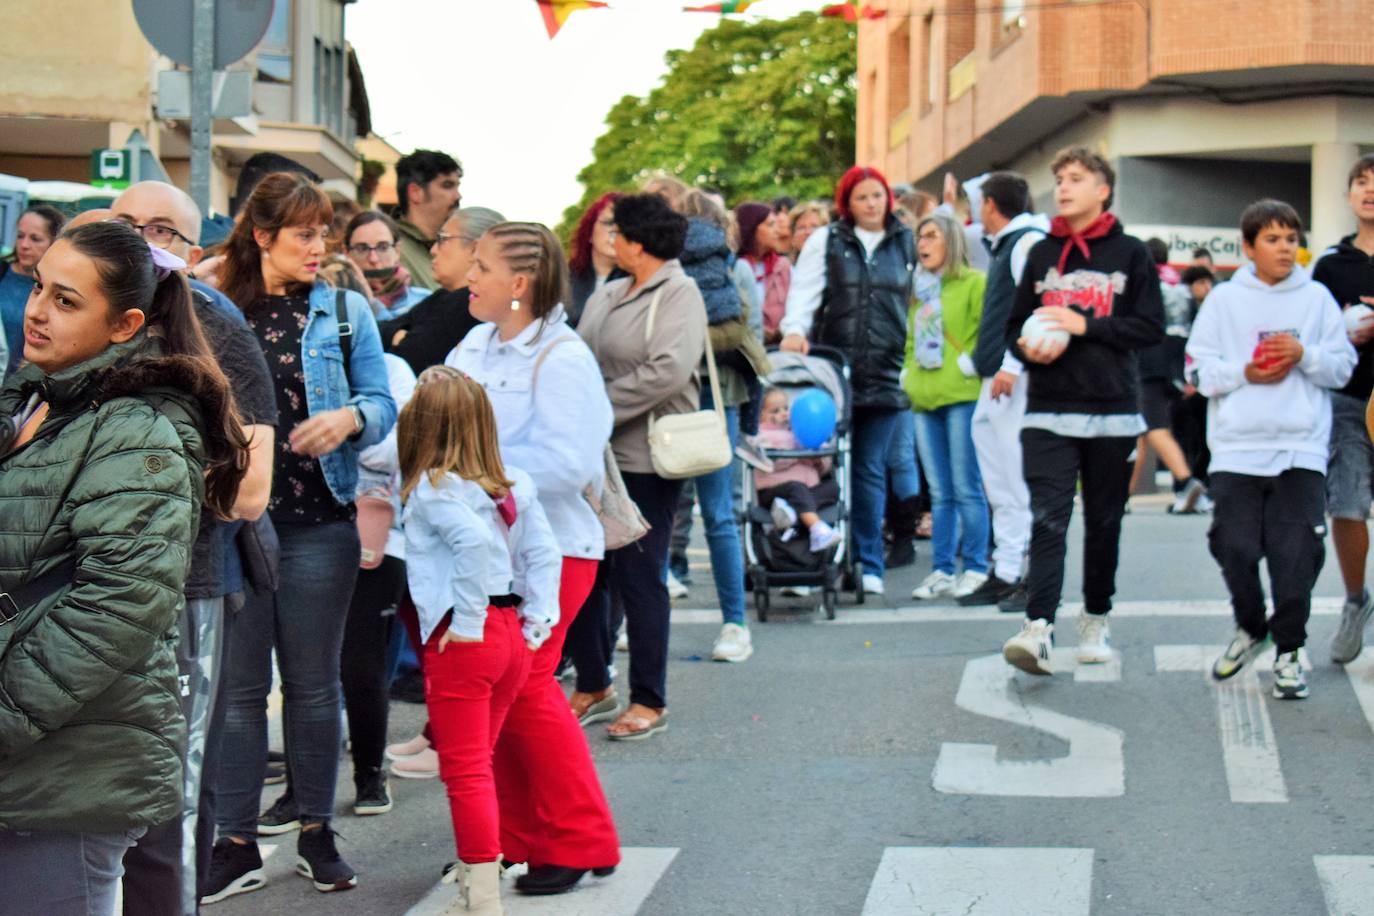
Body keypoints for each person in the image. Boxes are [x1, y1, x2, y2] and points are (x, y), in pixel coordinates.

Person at [0, 220, 248, 915]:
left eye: (67, 300)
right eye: (39, 287)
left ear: (126, 323)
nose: (38, 310)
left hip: (71, 779)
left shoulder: (138, 432)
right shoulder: (38, 400)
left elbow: (117, 608)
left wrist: (3, 714)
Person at [204, 171, 397, 903]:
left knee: (314, 687)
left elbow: (382, 401)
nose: (322, 247)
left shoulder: (345, 310)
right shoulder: (217, 310)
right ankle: (235, 841)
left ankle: (317, 832)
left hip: (320, 520)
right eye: (305, 234)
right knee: (242, 690)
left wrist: (349, 419)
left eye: (325, 233)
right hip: (237, 524)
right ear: (262, 237)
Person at [107, 181, 278, 916]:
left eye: (162, 230)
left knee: (167, 791)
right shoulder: (83, 310)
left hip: (186, 582)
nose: (142, 240)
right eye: (124, 224)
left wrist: (137, 478)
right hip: (86, 586)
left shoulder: (218, 327)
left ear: (192, 250)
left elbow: (252, 489)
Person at [448, 221, 621, 895]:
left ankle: (578, 838)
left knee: (524, 689)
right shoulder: (474, 344)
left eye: (481, 265)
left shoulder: (564, 356)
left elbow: (568, 464)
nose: (469, 275)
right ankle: (521, 838)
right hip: (490, 552)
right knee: (509, 695)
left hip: (553, 550)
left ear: (519, 284)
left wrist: (471, 470)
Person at [398, 367, 561, 916]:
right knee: (478, 765)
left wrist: (465, 624)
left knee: (465, 772)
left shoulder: (434, 487)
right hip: (510, 632)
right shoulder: (507, 484)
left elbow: (468, 546)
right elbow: (545, 554)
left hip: (466, 636)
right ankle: (481, 877)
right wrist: (537, 622)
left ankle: (481, 898)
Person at [999, 146, 1164, 676]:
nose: (1064, 188)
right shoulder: (1042, 252)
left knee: (1103, 521)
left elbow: (1149, 327)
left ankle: (1095, 616)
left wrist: (1083, 325)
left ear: (1103, 189)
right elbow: (1014, 324)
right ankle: (1038, 627)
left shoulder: (1132, 253)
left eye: (1076, 178)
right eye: (1059, 179)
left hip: (1113, 409)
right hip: (1047, 408)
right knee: (1048, 518)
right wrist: (1029, 346)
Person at [1188, 199, 1356, 698]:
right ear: (1248, 247)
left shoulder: (1318, 299)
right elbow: (1195, 370)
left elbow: (1342, 368)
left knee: (1296, 556)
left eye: (1292, 239)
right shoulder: (1223, 301)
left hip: (1300, 448)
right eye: (1273, 239)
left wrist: (1305, 355)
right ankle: (1251, 626)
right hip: (1237, 449)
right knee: (1233, 545)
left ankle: (1288, 651)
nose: (1285, 248)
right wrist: (1245, 372)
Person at [571, 192, 705, 740]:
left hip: (647, 454)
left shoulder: (680, 292)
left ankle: (649, 697)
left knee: (640, 578)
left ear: (638, 241)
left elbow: (668, 372)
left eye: (618, 230)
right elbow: (578, 354)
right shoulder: (608, 292)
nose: (610, 238)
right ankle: (595, 682)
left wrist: (596, 407)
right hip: (594, 452)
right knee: (584, 572)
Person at [780, 165, 916, 597]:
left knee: (871, 470)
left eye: (877, 195)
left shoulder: (906, 242)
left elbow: (919, 305)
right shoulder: (828, 240)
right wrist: (795, 329)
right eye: (862, 197)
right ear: (847, 204)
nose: (871, 204)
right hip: (834, 370)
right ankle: (815, 561)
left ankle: (868, 562)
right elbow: (805, 293)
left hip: (887, 371)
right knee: (823, 465)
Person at [961, 171, 1047, 609]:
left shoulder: (1027, 242)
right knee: (999, 478)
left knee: (1017, 477)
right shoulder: (1010, 244)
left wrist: (1013, 362)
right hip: (997, 377)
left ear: (990, 205)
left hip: (1014, 376)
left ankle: (1033, 574)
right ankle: (1008, 568)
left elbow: (1037, 307)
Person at [337, 351, 416, 820]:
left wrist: (345, 425)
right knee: (304, 671)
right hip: (306, 526)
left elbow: (393, 450)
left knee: (363, 661)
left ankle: (370, 773)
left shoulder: (391, 370)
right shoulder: (290, 360)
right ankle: (304, 795)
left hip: (382, 533)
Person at [901, 213, 991, 600]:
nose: (923, 243)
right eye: (920, 236)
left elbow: (986, 333)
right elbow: (910, 340)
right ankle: (940, 569)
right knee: (939, 492)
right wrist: (907, 374)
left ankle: (975, 566)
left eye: (932, 235)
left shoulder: (975, 283)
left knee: (966, 486)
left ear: (951, 241)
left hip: (962, 396)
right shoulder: (920, 288)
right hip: (924, 396)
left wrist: (968, 364)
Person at [1313, 152, 1374, 665]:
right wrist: (1347, 326)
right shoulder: (1332, 264)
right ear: (1349, 194)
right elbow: (1314, 331)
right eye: (1361, 181)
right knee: (1347, 504)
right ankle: (1356, 601)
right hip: (1349, 399)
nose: (1369, 189)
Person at [381, 206, 505, 376]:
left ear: (475, 249)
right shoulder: (443, 298)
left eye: (443, 239)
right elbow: (380, 330)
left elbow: (405, 358)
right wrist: (395, 333)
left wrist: (400, 337)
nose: (433, 250)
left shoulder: (467, 305)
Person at [1133, 237, 1208, 513]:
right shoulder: (1182, 288)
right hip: (1177, 368)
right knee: (1146, 432)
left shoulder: (1147, 285)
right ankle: (1125, 495)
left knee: (1154, 428)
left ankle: (1187, 483)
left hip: (1148, 366)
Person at [755, 388, 842, 551]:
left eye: (785, 409)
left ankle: (791, 513)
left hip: (803, 493)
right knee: (796, 488)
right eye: (775, 411)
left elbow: (823, 469)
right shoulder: (762, 436)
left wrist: (818, 455)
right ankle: (817, 530)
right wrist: (797, 453)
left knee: (833, 488)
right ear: (760, 416)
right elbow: (770, 462)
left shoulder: (800, 429)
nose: (783, 414)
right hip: (774, 491)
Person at [0, 204, 64, 374]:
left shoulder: (62, 288)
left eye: (35, 238)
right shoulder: (3, 273)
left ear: (54, 241)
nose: (24, 245)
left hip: (24, 386)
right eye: (20, 236)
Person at [393, 149, 463, 290]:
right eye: (447, 186)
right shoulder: (390, 249)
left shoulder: (457, 246)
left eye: (457, 186)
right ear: (416, 193)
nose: (458, 196)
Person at [345, 210, 430, 316]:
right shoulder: (336, 303)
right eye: (362, 248)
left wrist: (372, 304)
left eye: (383, 247)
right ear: (346, 253)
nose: (373, 259)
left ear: (397, 251)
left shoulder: (425, 302)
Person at [736, 201, 793, 345]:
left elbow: (796, 306)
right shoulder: (735, 268)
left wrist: (783, 330)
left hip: (778, 347)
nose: (777, 231)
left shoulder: (783, 267)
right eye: (770, 225)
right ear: (751, 228)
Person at [567, 192, 624, 326]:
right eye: (609, 223)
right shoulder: (563, 279)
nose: (615, 232)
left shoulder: (639, 282)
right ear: (590, 231)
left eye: (624, 226)